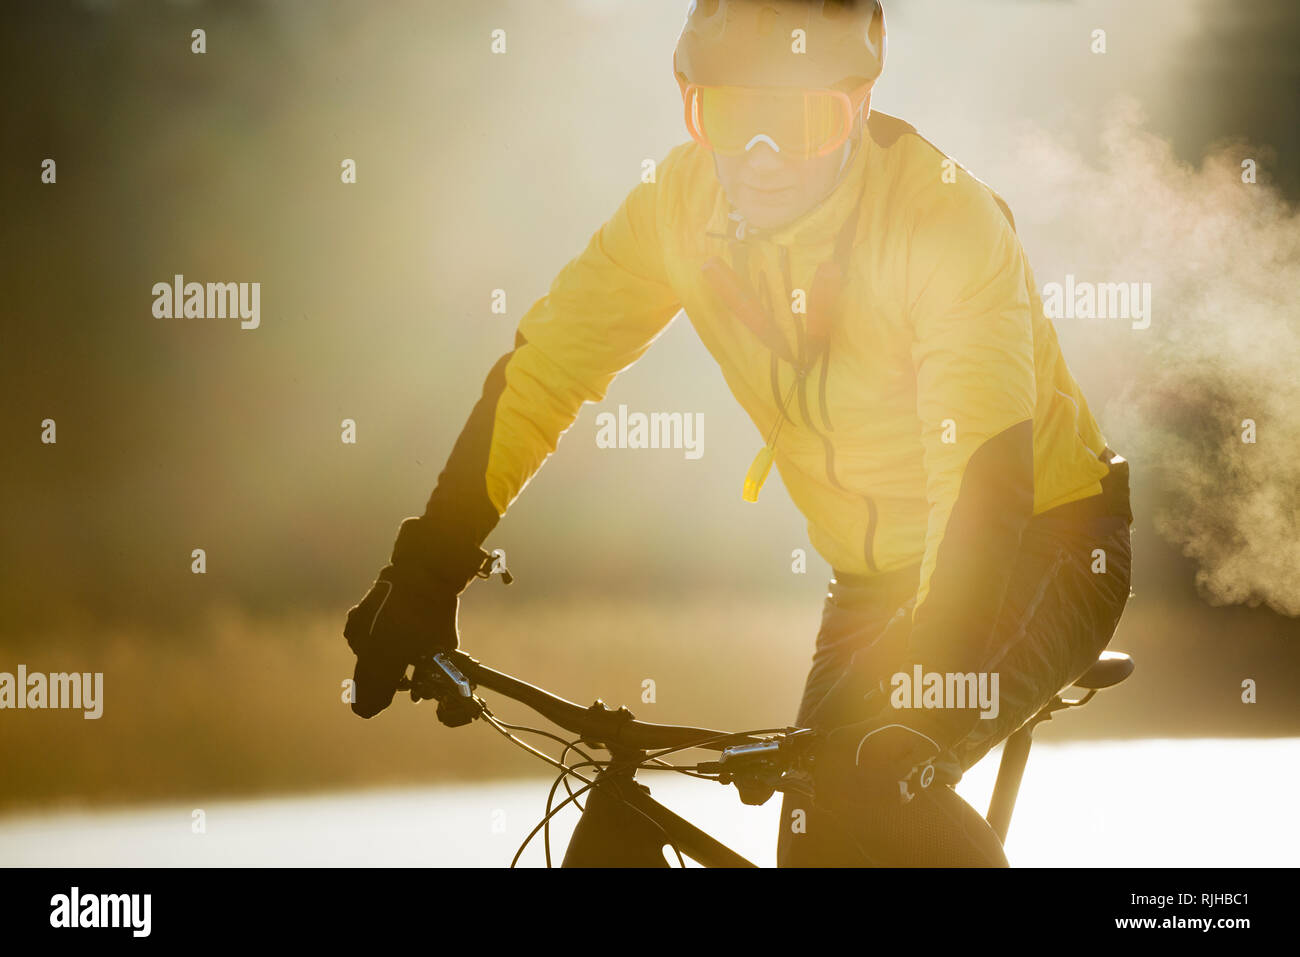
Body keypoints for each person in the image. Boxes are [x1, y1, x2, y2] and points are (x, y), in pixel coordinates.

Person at [343, 0, 1134, 867]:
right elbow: (545, 373)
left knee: (870, 789)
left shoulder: (942, 223)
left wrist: (925, 685)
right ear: (691, 106)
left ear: (858, 107)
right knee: (811, 834)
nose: (756, 160)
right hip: (871, 574)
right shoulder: (677, 207)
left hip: (1042, 542)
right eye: (725, 115)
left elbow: (982, 482)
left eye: (796, 123)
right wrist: (425, 569)